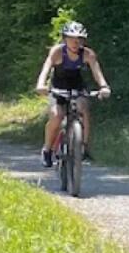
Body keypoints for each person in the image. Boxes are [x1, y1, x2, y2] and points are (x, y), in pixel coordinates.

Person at [34, 21, 110, 166]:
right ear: (64, 39)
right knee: (57, 116)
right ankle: (47, 149)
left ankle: (84, 148)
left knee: (83, 110)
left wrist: (104, 87)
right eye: (71, 38)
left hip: (77, 87)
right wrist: (41, 85)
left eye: (79, 39)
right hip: (58, 87)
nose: (75, 43)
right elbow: (46, 69)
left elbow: (97, 72)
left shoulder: (87, 54)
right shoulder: (57, 52)